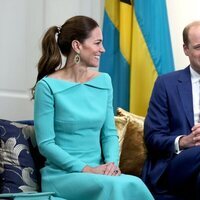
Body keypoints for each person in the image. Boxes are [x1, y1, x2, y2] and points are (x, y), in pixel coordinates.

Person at [32, 15, 154, 200]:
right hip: (63, 175)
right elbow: (46, 145)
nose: (102, 49)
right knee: (114, 187)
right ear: (77, 46)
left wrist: (111, 164)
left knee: (134, 183)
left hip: (100, 172)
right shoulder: (47, 86)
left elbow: (109, 133)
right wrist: (87, 169)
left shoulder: (104, 81)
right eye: (97, 43)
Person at [142, 21, 200, 200]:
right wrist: (184, 141)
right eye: (199, 47)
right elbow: (153, 136)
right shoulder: (166, 84)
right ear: (186, 49)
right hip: (175, 164)